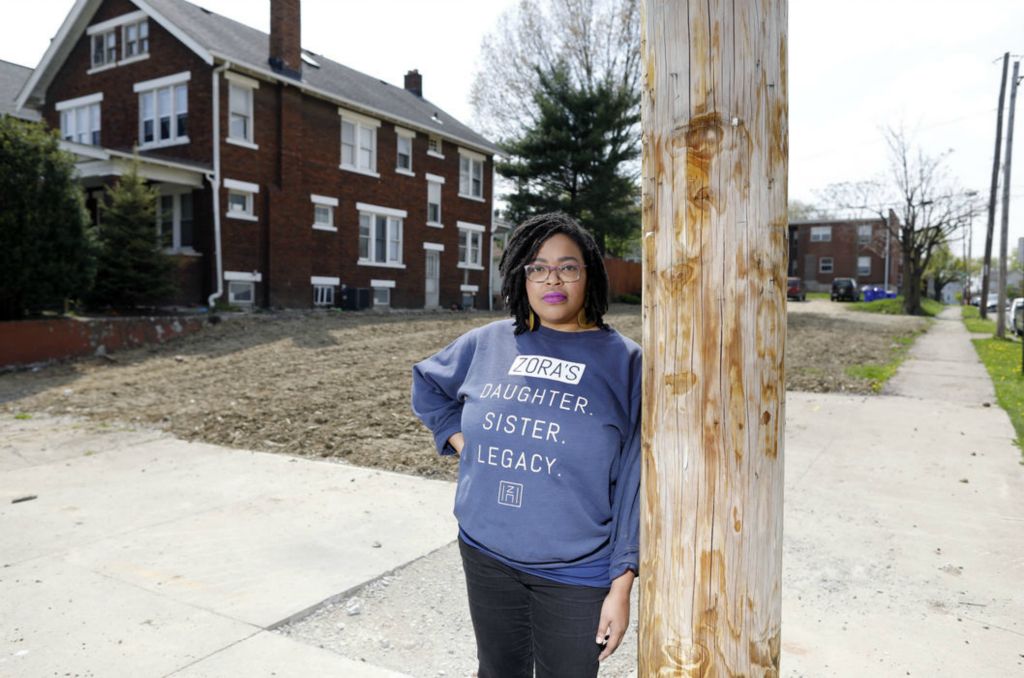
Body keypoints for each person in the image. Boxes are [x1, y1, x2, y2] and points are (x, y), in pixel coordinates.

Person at [411, 212, 641, 677]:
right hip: (484, 553)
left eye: (567, 266)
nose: (551, 278)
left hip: (576, 572)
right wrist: (462, 442)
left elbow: (636, 482)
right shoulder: (488, 342)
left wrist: (622, 583)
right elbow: (428, 385)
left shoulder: (625, 363)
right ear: (522, 276)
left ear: (589, 274)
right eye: (536, 267)